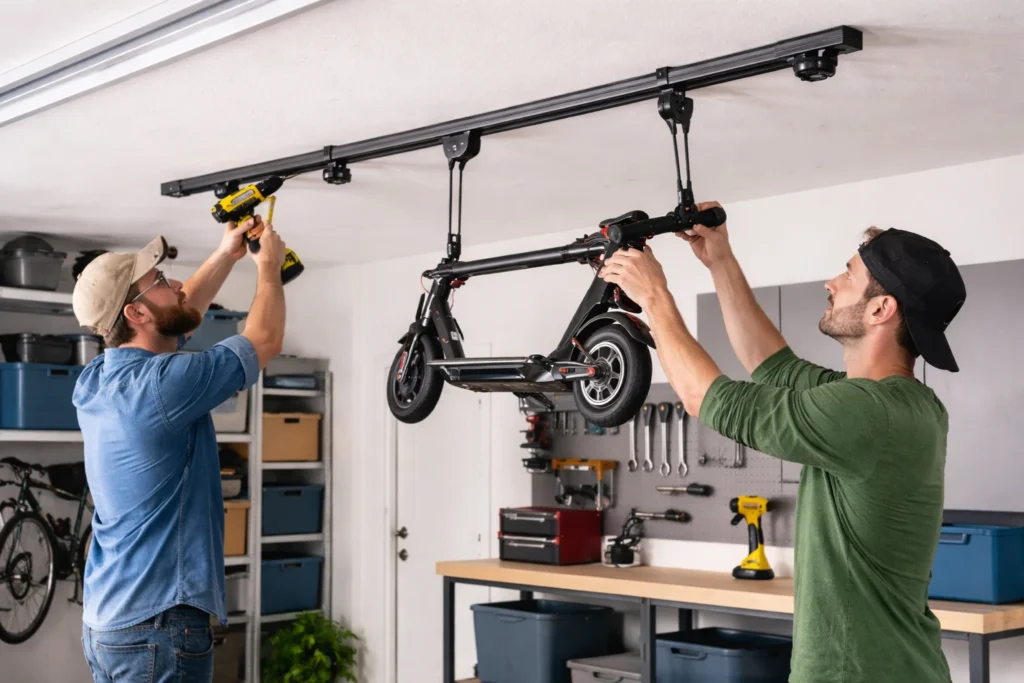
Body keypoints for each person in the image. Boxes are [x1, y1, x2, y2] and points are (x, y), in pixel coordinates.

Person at [598, 202, 965, 683]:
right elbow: (771, 364)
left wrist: (655, 296)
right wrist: (720, 259)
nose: (831, 283)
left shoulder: (866, 413)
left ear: (881, 308)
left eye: (848, 275)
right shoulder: (902, 404)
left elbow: (704, 398)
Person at [71, 217, 287, 683]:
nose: (176, 286)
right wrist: (269, 268)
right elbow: (265, 340)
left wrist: (226, 253)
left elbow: (180, 312)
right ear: (136, 313)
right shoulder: (161, 387)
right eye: (161, 281)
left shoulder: (95, 381)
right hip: (158, 623)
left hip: (109, 622)